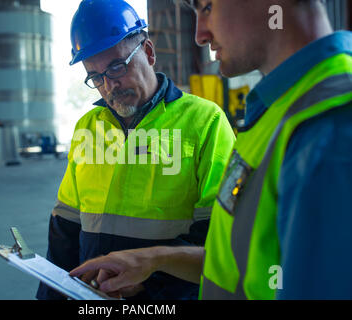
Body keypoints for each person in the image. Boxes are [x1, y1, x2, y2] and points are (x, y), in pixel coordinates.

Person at [70, 0, 352, 299]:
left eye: (207, 7)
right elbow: (233, 261)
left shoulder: (330, 123)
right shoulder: (277, 112)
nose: (200, 35)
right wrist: (153, 261)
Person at [36, 0, 236, 300]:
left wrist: (150, 284)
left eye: (116, 66)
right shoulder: (88, 128)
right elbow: (65, 227)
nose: (109, 85)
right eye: (96, 76)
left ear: (148, 52)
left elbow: (218, 235)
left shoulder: (206, 122)